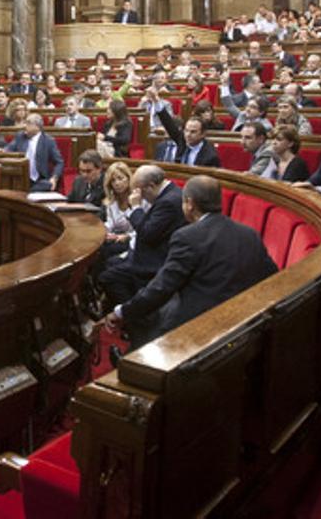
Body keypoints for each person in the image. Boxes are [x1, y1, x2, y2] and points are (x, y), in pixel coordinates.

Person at [104, 175, 278, 351]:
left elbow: (162, 288)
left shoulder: (187, 237)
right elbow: (272, 276)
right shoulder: (250, 234)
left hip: (202, 328)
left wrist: (121, 312)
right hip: (246, 321)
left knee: (151, 333)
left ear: (189, 203)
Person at [96, 165, 185, 311]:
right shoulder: (169, 193)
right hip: (148, 250)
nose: (138, 195)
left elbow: (146, 233)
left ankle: (135, 315)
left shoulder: (168, 201)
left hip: (155, 260)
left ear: (150, 186)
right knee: (110, 263)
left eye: (139, 190)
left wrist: (136, 208)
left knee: (107, 277)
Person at [4, 114, 64, 192]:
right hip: (20, 178)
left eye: (28, 123)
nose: (25, 125)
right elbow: (8, 149)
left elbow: (59, 162)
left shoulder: (48, 141)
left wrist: (54, 178)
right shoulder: (20, 136)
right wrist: (2, 150)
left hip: (40, 179)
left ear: (37, 127)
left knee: (46, 185)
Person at [153, 106, 222, 168]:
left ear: (203, 134)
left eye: (193, 132)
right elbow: (169, 124)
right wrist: (156, 101)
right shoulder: (182, 140)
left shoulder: (210, 156)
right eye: (186, 131)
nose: (188, 135)